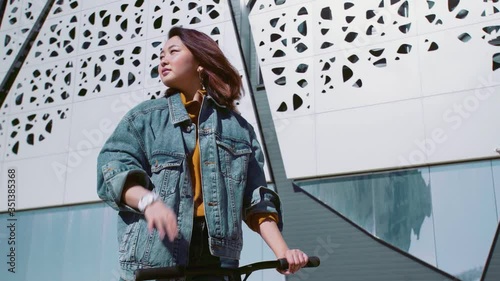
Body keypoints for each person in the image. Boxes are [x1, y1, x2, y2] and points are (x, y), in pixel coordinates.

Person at [97, 26, 308, 281]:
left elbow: (256, 201)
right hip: (156, 258)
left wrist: (284, 252)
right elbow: (112, 170)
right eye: (161, 54)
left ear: (201, 61)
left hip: (217, 261)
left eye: (173, 51)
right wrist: (148, 202)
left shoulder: (239, 130)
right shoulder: (145, 119)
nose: (163, 59)